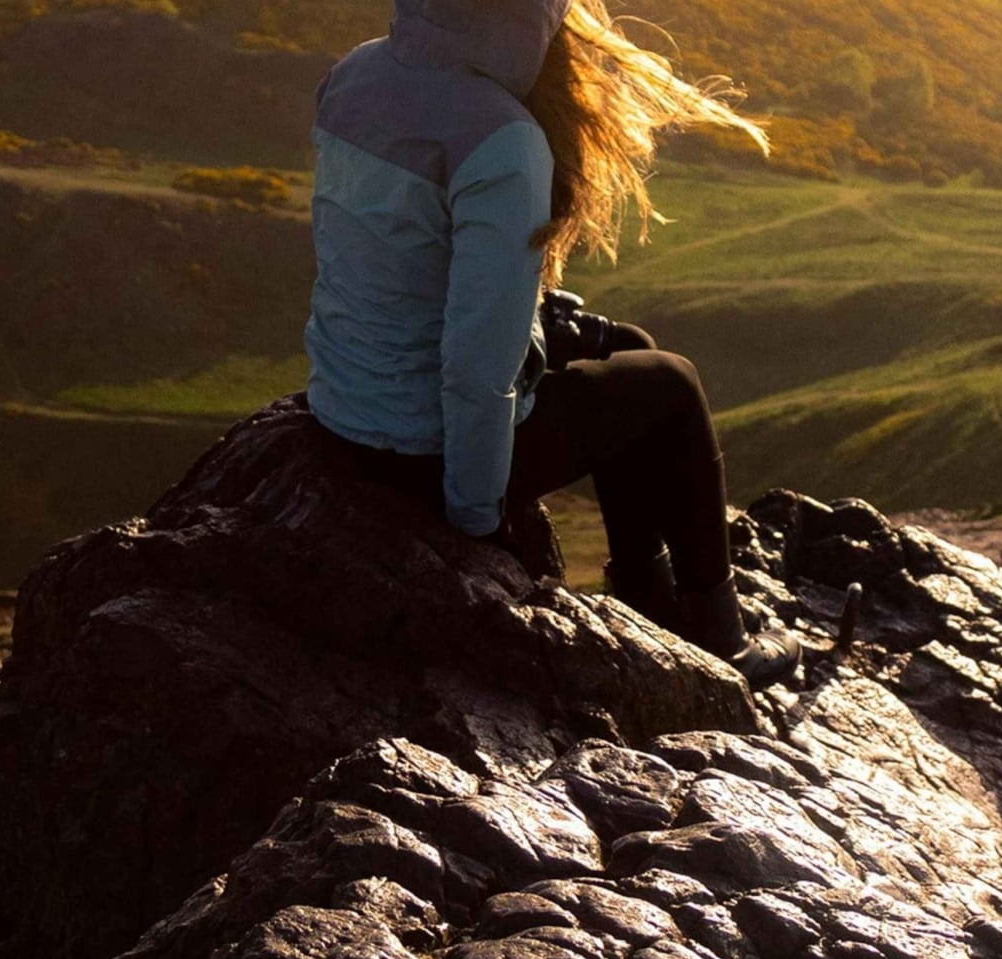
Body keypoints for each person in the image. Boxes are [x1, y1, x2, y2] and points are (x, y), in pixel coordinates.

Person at [303, 0, 801, 683]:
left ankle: (648, 597)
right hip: (425, 451)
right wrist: (474, 524)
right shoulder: (499, 137)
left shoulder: (355, 74)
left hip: (344, 415)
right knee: (674, 386)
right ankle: (721, 638)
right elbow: (477, 373)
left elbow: (396, 268)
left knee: (627, 343)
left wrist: (546, 327)